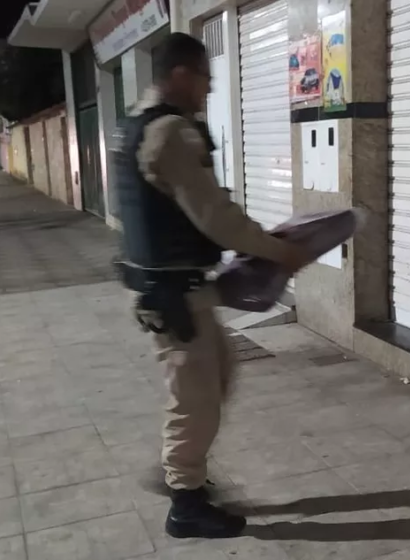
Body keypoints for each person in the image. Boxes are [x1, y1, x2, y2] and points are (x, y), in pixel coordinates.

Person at [113, 33, 309, 539]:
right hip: (175, 296)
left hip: (170, 289)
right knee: (194, 400)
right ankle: (186, 502)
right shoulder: (173, 132)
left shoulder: (135, 125)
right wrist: (282, 251)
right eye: (205, 78)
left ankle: (182, 467)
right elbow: (216, 218)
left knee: (216, 375)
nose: (208, 89)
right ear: (181, 74)